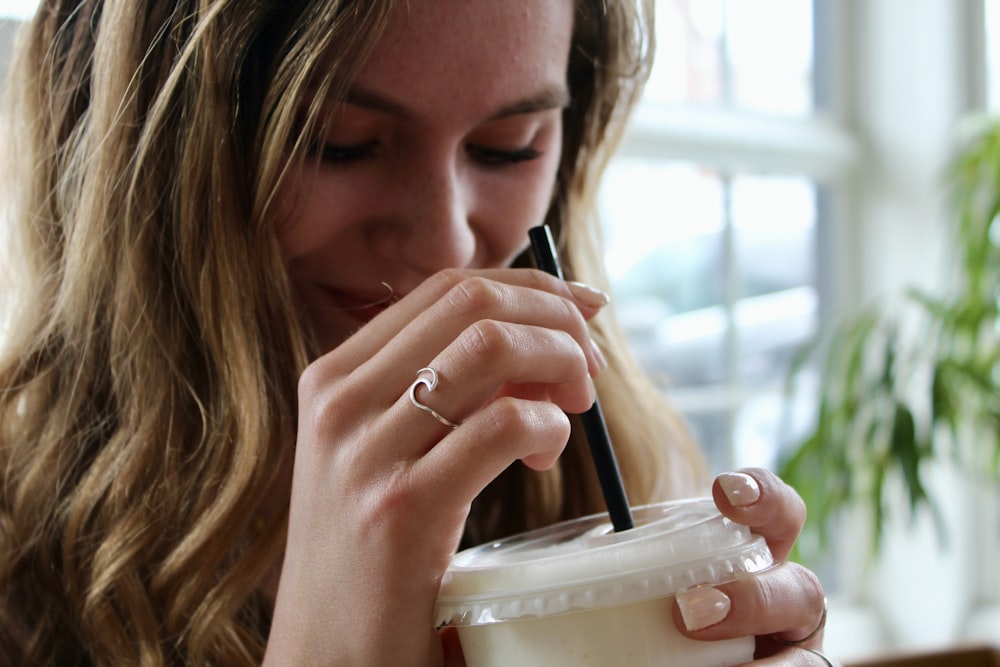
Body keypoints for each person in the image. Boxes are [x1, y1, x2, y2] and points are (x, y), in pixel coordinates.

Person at [0, 0, 832, 665]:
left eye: (511, 147)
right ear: (153, 152)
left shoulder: (594, 471)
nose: (447, 248)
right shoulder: (20, 574)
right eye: (342, 144)